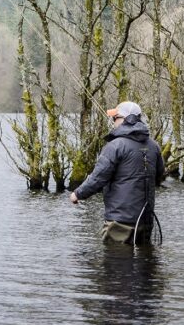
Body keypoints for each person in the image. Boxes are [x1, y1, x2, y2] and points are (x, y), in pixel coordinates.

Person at [69, 101, 166, 244]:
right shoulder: (154, 146)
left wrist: (77, 194)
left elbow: (98, 178)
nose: (113, 122)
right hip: (145, 221)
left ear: (125, 119)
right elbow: (159, 175)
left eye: (115, 118)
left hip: (119, 222)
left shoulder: (115, 146)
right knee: (143, 264)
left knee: (114, 263)